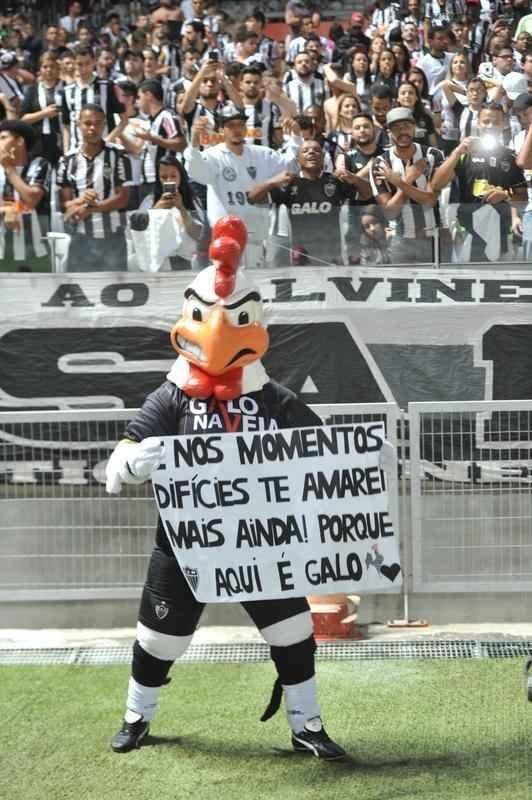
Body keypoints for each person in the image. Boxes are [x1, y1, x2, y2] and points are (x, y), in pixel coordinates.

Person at [105, 215, 346, 762]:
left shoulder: (274, 400)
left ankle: (306, 724)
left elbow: (327, 450)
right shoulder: (170, 399)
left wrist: (364, 457)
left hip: (261, 543)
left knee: (292, 631)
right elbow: (119, 457)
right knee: (159, 640)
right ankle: (136, 715)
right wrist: (131, 460)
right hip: (185, 543)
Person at [185, 104, 301, 267]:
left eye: (240, 124)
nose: (236, 129)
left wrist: (296, 137)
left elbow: (291, 166)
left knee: (255, 286)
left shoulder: (262, 154)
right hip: (225, 237)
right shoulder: (213, 156)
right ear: (221, 130)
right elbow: (195, 172)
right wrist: (194, 143)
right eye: (230, 126)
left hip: (255, 235)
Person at [432, 102, 526, 261]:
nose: (490, 126)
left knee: (498, 279)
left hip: (499, 230)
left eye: (496, 122)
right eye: (486, 122)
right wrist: (457, 151)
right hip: (467, 229)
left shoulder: (510, 157)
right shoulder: (464, 152)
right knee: (466, 280)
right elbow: (436, 185)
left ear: (504, 124)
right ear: (478, 122)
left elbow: (522, 196)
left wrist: (505, 195)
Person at [248, 138, 365, 266]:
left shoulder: (335, 181)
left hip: (332, 258)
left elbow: (367, 194)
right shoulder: (288, 183)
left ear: (323, 157)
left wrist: (354, 178)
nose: (311, 153)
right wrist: (273, 181)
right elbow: (253, 198)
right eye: (305, 151)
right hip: (300, 258)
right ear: (298, 160)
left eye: (316, 150)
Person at [57, 104, 132, 272]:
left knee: (113, 294)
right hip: (80, 239)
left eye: (98, 123)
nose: (93, 128)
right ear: (79, 124)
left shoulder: (118, 154)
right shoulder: (67, 160)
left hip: (113, 238)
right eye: (88, 123)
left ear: (105, 125)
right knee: (80, 293)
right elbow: (65, 204)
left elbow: (123, 198)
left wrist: (90, 209)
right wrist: (82, 201)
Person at [369, 107, 443, 264]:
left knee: (433, 286)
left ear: (414, 127)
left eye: (407, 126)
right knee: (400, 288)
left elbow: (430, 201)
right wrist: (409, 179)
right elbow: (389, 212)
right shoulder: (380, 164)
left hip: (432, 237)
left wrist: (399, 183)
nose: (402, 131)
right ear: (388, 132)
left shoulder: (433, 155)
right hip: (399, 240)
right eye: (396, 128)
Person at [131, 152, 204, 271]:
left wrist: (182, 209)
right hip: (159, 264)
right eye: (164, 177)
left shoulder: (193, 201)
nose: (169, 180)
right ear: (158, 178)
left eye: (173, 176)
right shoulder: (150, 201)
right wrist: (157, 209)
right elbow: (139, 234)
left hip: (187, 262)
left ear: (181, 176)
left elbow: (199, 235)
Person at [0, 119, 51, 272]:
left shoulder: (40, 164)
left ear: (20, 141)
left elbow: (31, 199)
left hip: (35, 253)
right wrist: (5, 210)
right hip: (3, 254)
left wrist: (9, 168)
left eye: (2, 138)